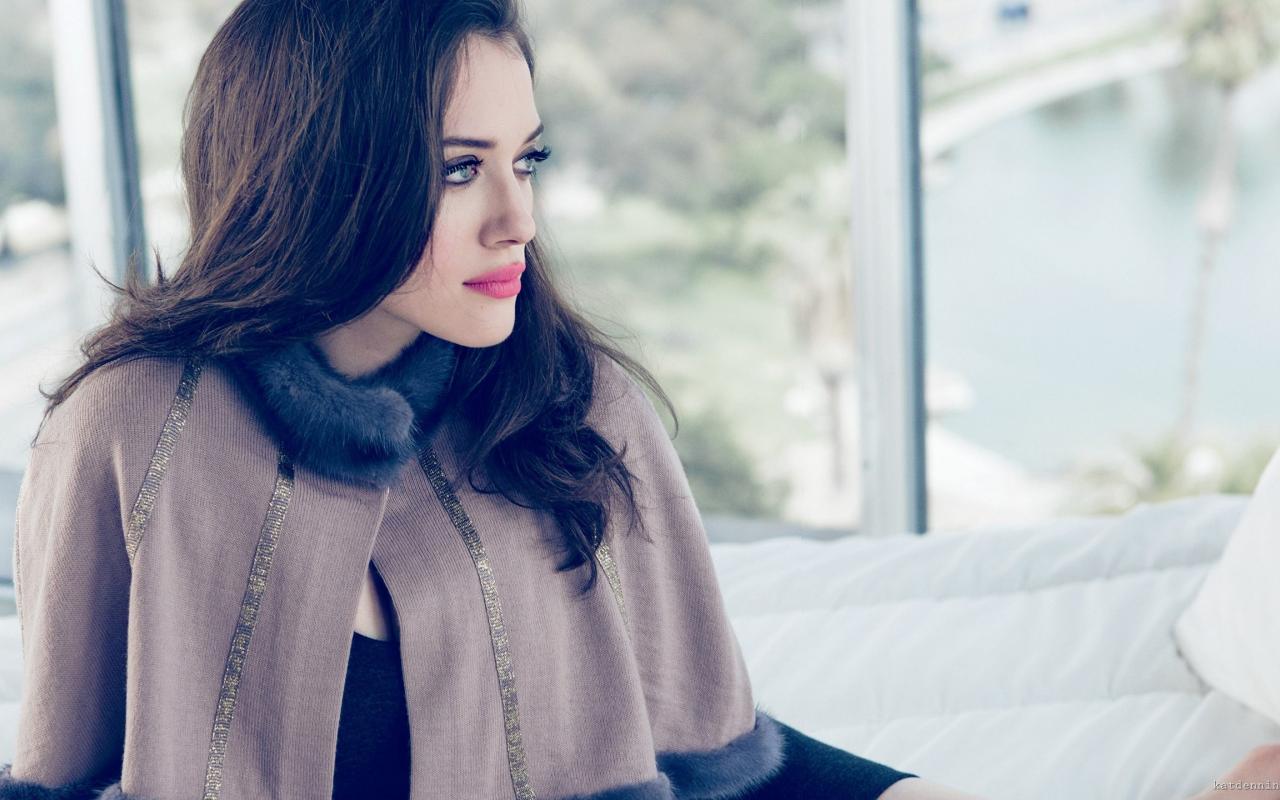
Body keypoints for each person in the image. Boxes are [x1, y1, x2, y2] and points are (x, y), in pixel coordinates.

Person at [0, 1, 926, 798]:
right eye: (458, 169)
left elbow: (709, 747)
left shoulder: (576, 404)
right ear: (322, 176)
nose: (518, 219)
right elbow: (61, 770)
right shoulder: (131, 429)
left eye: (527, 161)